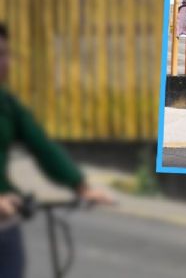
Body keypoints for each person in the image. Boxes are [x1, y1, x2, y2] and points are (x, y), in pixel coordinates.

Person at [0, 23, 113, 278]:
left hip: (5, 227)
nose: (4, 63)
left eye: (5, 54)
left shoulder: (7, 106)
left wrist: (81, 187)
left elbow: (42, 146)